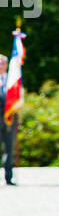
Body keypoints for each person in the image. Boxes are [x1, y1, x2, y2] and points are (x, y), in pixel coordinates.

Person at [0, 54, 16, 185]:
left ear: (7, 65)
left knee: (9, 149)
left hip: (9, 119)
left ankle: (8, 177)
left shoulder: (12, 81)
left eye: (3, 63)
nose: (1, 65)